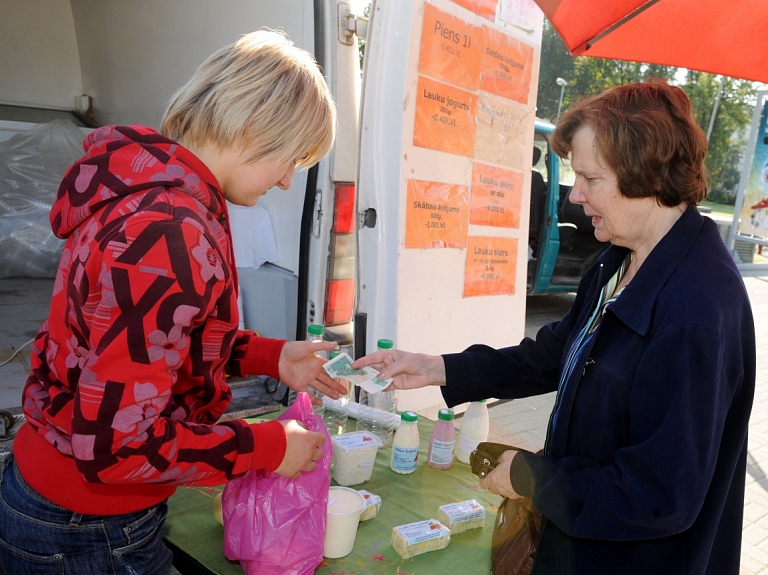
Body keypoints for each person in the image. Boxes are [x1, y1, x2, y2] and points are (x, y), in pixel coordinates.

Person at [354, 80, 756, 575]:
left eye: (590, 178)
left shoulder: (697, 310)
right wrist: (437, 368)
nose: (576, 196)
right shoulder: (619, 259)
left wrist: (534, 479)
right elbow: (552, 355)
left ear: (647, 175)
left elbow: (660, 494)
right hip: (578, 542)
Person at [0, 30, 347, 575]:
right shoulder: (169, 231)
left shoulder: (149, 187)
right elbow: (116, 448)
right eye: (290, 158)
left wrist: (269, 357)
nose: (285, 181)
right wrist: (266, 447)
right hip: (87, 524)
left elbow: (157, 338)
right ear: (255, 126)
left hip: (60, 493)